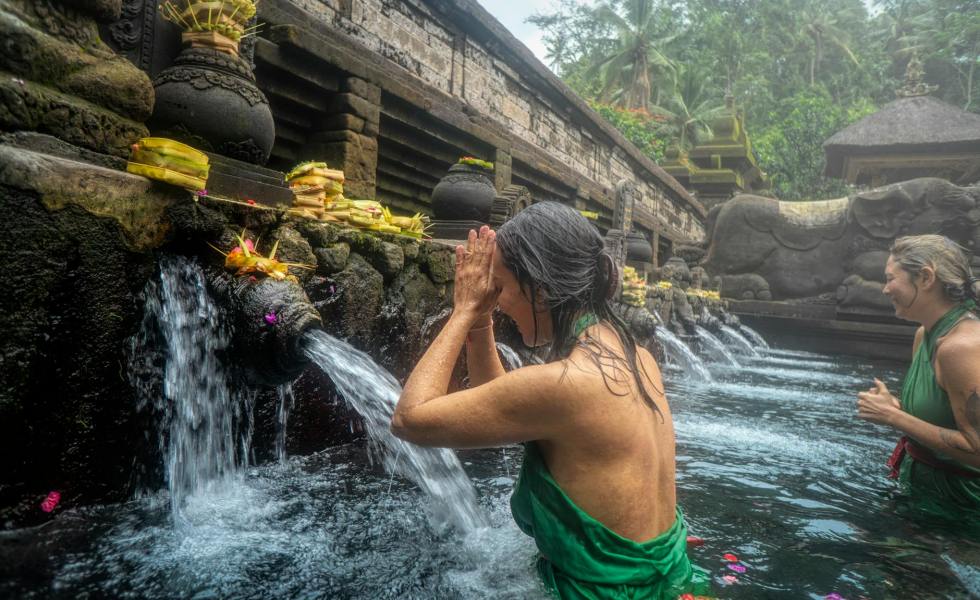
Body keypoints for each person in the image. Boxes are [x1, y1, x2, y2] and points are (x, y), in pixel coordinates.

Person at [391, 202, 701, 598]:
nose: (496, 300)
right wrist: (482, 322)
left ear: (541, 290)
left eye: (500, 288)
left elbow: (409, 418)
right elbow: (505, 408)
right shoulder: (637, 356)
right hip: (671, 580)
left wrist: (464, 310)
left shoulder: (569, 384)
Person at [857, 234, 980, 508]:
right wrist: (897, 407)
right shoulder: (924, 334)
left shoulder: (960, 348)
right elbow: (944, 418)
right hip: (924, 496)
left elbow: (977, 448)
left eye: (890, 278)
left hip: (964, 510)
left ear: (925, 278)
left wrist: (892, 416)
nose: (885, 290)